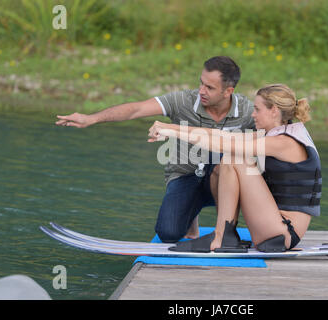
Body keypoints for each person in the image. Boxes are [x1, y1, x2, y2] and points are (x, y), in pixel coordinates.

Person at [55, 56, 256, 242]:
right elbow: (137, 109)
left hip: (224, 180)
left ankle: (226, 230)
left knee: (228, 161)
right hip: (186, 176)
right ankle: (191, 221)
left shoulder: (247, 111)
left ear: (228, 91)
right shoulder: (183, 101)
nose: (202, 90)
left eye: (210, 87)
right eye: (201, 83)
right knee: (168, 233)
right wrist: (91, 118)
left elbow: (275, 137)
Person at [147, 84, 321, 252]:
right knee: (225, 164)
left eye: (257, 109)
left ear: (274, 110)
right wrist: (168, 127)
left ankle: (222, 236)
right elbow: (221, 135)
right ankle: (225, 234)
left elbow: (222, 144)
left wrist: (171, 133)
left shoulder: (283, 142)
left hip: (282, 232)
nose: (253, 115)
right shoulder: (280, 134)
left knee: (234, 158)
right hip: (273, 225)